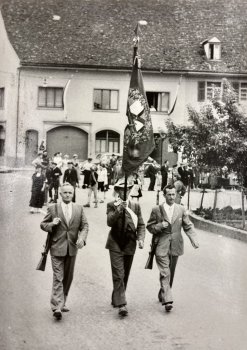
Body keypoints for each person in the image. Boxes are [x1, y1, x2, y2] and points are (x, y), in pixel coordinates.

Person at [146, 184, 199, 312]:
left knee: (171, 273)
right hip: (161, 244)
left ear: (176, 195)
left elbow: (188, 226)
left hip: (175, 245)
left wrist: (194, 239)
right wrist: (160, 226)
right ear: (164, 196)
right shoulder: (156, 209)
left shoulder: (180, 209)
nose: (171, 197)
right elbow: (149, 227)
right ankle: (168, 300)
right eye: (169, 194)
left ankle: (163, 292)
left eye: (173, 194)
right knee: (165, 271)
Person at [40, 183, 89, 320]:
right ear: (60, 194)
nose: (68, 195)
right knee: (58, 277)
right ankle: (56, 306)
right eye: (65, 193)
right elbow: (43, 225)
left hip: (72, 248)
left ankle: (63, 301)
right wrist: (52, 224)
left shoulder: (79, 209)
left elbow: (85, 226)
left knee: (68, 277)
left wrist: (82, 239)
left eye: (70, 193)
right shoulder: (53, 208)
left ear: (73, 194)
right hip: (56, 247)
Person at [106, 178, 145, 317]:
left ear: (130, 191)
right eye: (121, 190)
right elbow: (109, 222)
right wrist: (119, 209)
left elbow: (141, 225)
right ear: (117, 191)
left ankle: (116, 296)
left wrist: (141, 238)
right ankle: (122, 304)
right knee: (118, 273)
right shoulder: (111, 205)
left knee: (125, 274)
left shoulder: (135, 206)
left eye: (127, 189)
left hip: (130, 243)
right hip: (115, 242)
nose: (125, 192)